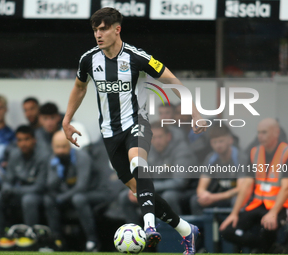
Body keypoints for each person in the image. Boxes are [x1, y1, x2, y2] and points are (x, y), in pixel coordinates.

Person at [62, 7, 207, 254]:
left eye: (103, 29)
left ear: (117, 29)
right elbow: (79, 87)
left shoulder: (137, 57)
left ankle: (149, 227)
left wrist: (195, 112)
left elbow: (173, 81)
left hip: (137, 123)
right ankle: (185, 230)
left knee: (138, 164)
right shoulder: (89, 59)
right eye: (95, 30)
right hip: (109, 133)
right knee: (138, 190)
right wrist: (66, 120)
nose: (98, 34)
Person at [220, 118, 288, 253]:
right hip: (256, 204)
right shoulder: (255, 152)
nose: (260, 136)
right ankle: (266, 248)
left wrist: (273, 213)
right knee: (227, 231)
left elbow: (286, 188)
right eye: (258, 132)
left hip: (278, 207)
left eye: (264, 132)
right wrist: (234, 213)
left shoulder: (285, 153)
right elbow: (247, 185)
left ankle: (266, 247)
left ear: (276, 133)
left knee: (268, 227)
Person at [43, 131, 112, 251]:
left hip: (97, 192)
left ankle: (93, 241)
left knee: (78, 198)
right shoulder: (54, 160)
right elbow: (50, 186)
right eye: (57, 147)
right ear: (53, 147)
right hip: (72, 194)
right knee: (48, 200)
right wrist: (58, 173)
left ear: (69, 145)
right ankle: (56, 240)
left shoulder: (82, 157)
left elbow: (82, 186)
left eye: (63, 146)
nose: (60, 151)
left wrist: (62, 198)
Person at [0, 125, 48, 248]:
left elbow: (40, 186)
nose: (23, 143)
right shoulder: (14, 155)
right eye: (19, 140)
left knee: (28, 199)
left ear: (34, 140)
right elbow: (8, 180)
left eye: (26, 139)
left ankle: (31, 237)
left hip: (38, 195)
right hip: (19, 193)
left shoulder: (43, 156)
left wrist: (14, 190)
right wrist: (5, 187)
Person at [190, 125, 246, 215]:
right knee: (196, 200)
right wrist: (204, 195)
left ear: (230, 140)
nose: (218, 145)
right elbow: (201, 187)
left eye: (221, 141)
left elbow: (241, 189)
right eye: (214, 142)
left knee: (237, 200)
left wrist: (213, 197)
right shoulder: (210, 158)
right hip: (216, 196)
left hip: (233, 197)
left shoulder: (241, 158)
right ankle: (199, 229)